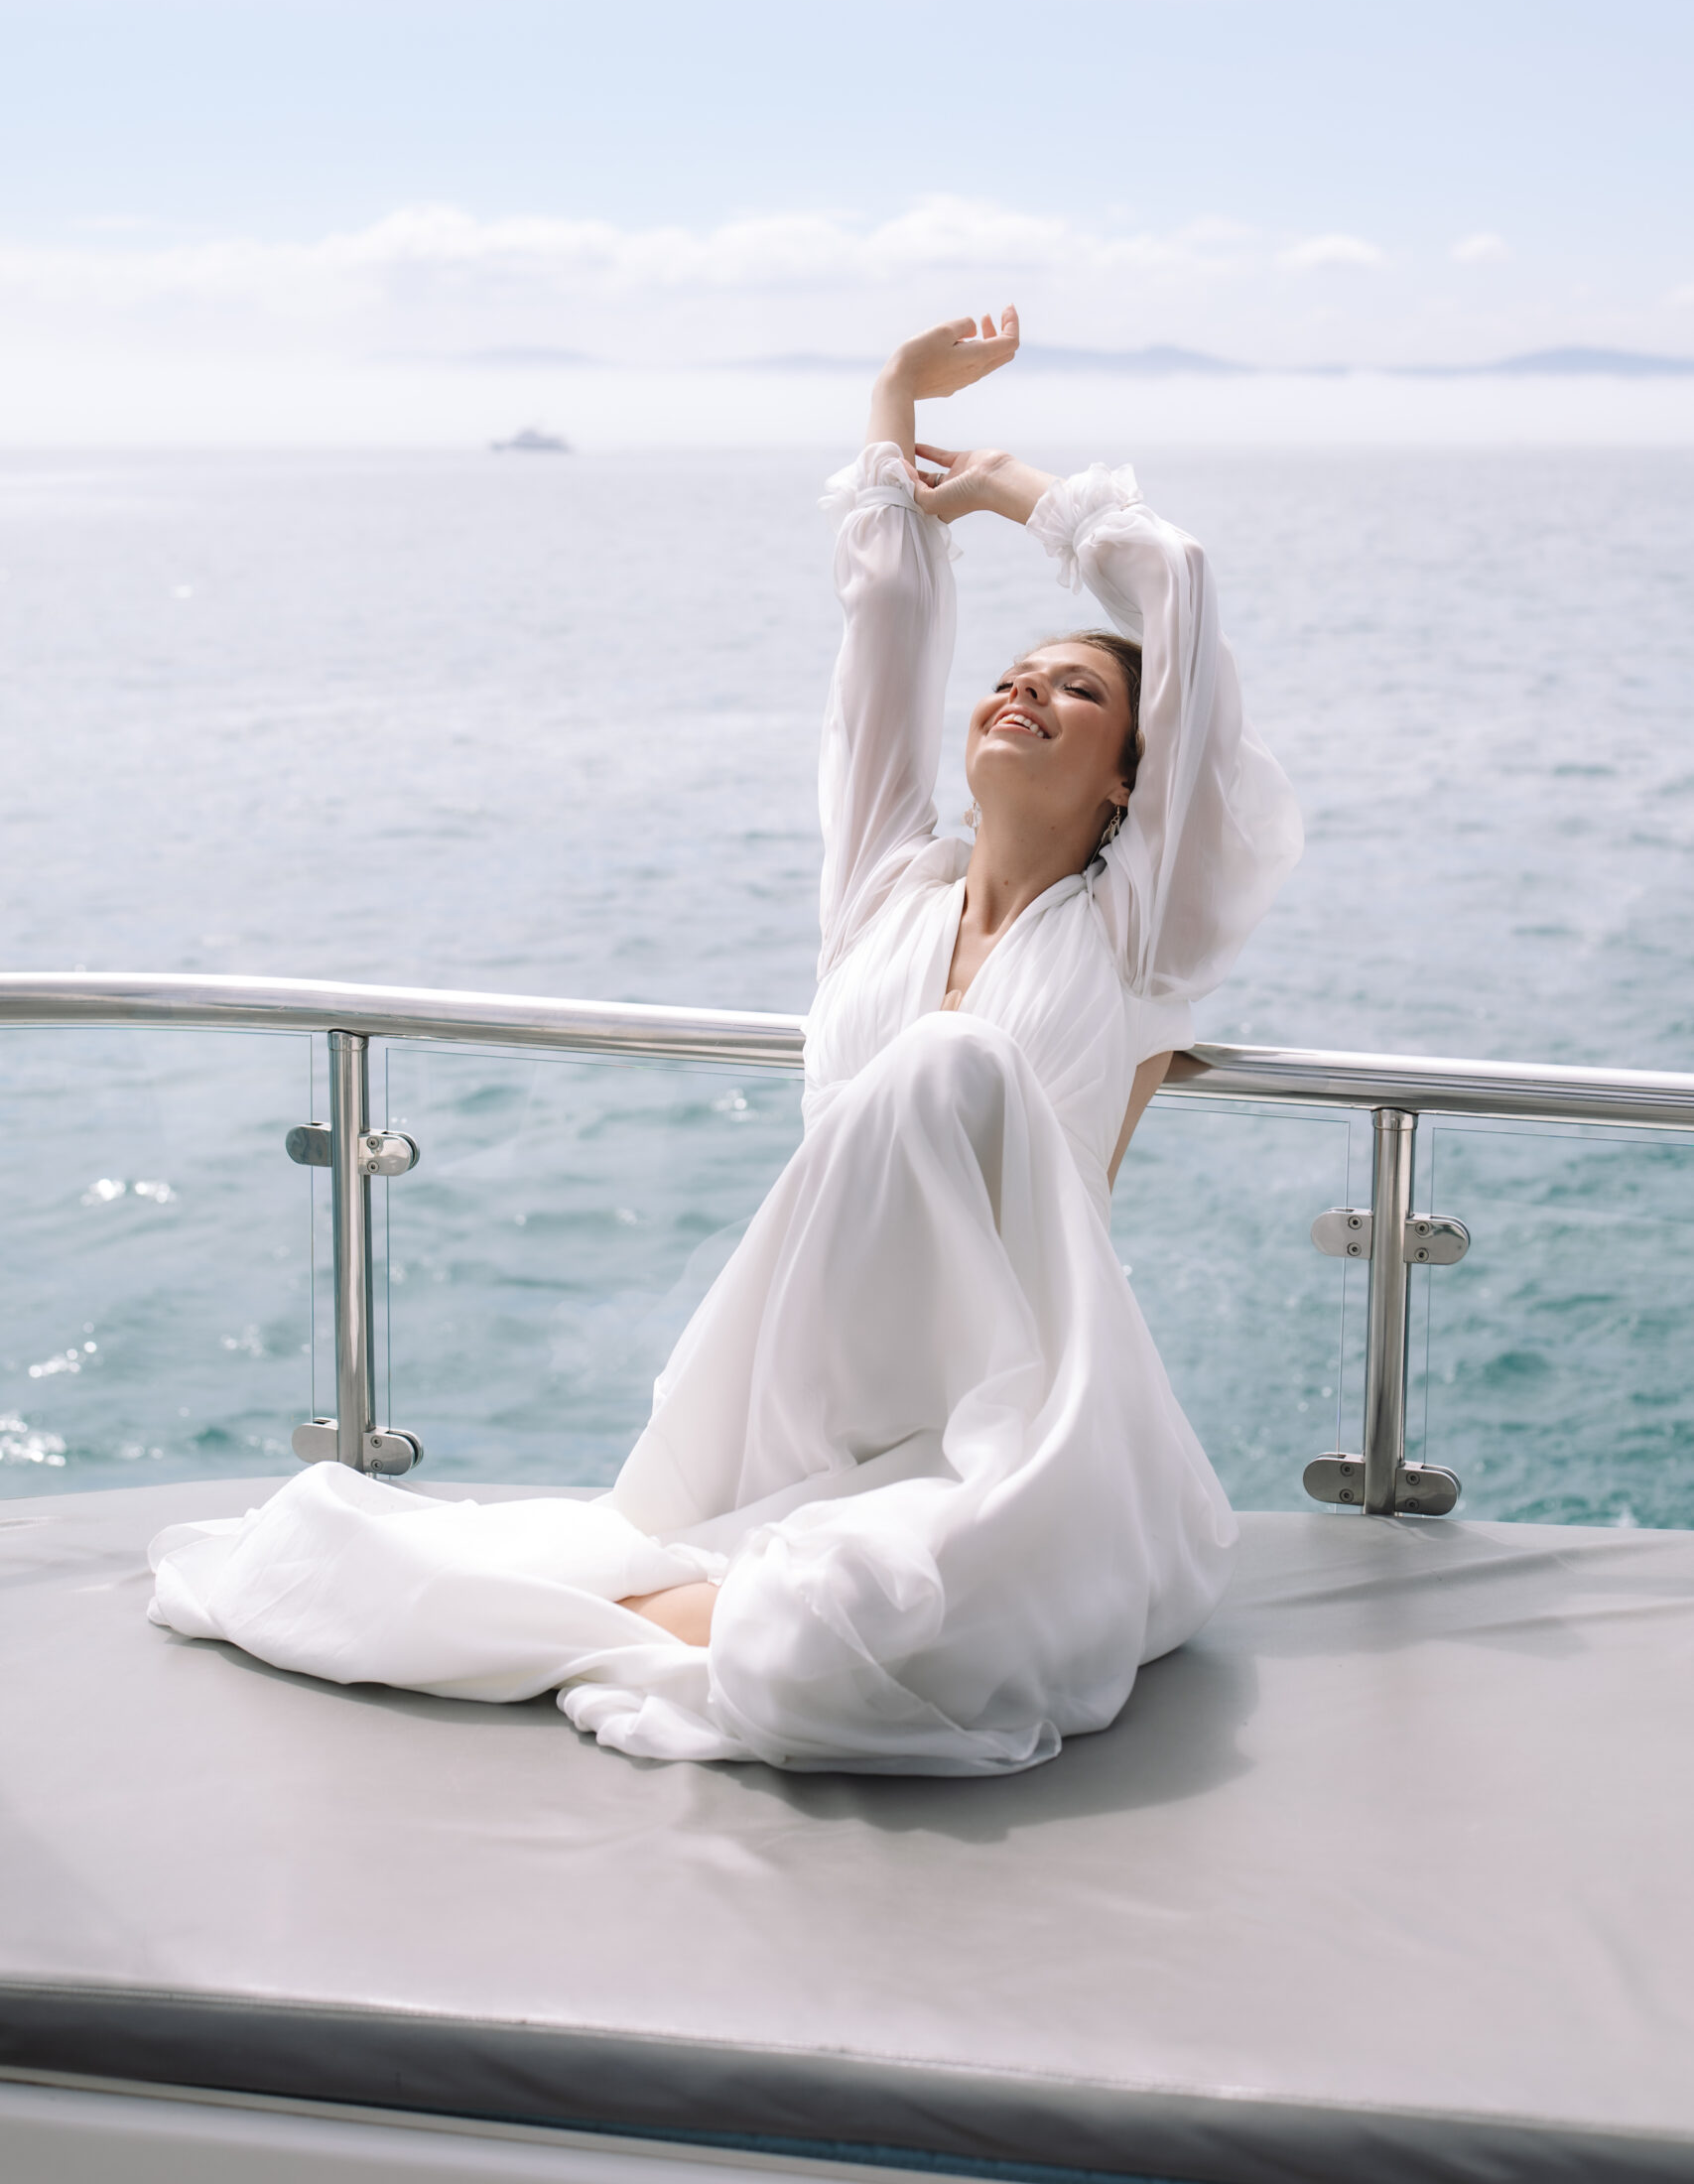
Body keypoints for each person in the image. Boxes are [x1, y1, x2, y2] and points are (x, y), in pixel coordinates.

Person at [149, 309, 1302, 1776]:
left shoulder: (1140, 928)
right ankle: (687, 1589)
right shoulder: (885, 893)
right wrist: (890, 403)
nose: (1022, 689)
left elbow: (1181, 585)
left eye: (1078, 692)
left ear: (1137, 788)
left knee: (843, 1611)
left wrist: (1006, 484)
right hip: (810, 1408)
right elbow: (881, 636)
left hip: (1027, 1421)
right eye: (1014, 673)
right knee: (819, 1591)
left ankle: (673, 1609)